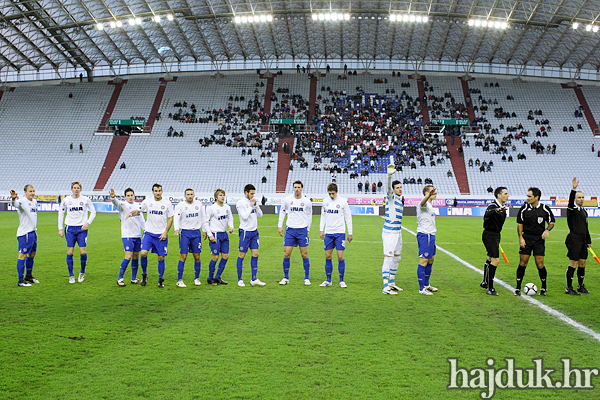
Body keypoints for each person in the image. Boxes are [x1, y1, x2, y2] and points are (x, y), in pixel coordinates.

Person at [515, 187, 555, 296]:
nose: (527, 198)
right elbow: (520, 225)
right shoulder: (524, 209)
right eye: (527, 196)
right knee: (523, 262)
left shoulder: (545, 209)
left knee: (540, 263)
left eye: (529, 196)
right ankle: (518, 288)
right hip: (526, 238)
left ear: (536, 197)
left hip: (539, 240)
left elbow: (552, 221)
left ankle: (544, 287)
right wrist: (521, 238)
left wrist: (547, 230)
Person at [58, 181, 96, 283]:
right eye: (74, 188)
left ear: (80, 189)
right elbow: (61, 213)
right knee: (70, 251)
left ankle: (82, 272)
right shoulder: (66, 200)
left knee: (82, 252)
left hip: (81, 229)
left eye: (78, 188)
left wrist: (88, 223)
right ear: (71, 189)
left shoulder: (85, 200)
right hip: (69, 228)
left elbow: (93, 211)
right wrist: (60, 228)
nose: (76, 189)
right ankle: (71, 275)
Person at [139, 183, 174, 288]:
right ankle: (144, 275)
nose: (158, 193)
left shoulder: (167, 203)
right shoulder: (147, 201)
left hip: (161, 234)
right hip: (149, 233)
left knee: (161, 257)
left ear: (162, 191)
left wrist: (165, 232)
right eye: (156, 191)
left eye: (159, 191)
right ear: (152, 192)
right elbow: (139, 209)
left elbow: (171, 218)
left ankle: (160, 279)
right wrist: (132, 213)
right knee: (143, 253)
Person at [278, 180, 313, 285]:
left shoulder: (307, 201)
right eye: (295, 187)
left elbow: (309, 215)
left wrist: (308, 229)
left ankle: (306, 278)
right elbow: (282, 211)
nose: (296, 189)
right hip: (290, 230)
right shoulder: (287, 199)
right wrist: (280, 225)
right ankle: (285, 278)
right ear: (293, 188)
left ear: (302, 188)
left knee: (304, 254)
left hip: (302, 230)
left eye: (298, 187)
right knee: (287, 254)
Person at [319, 183, 353, 288]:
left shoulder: (343, 202)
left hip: (339, 233)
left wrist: (350, 232)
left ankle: (341, 280)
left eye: (333, 193)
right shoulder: (325, 201)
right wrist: (321, 230)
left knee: (340, 256)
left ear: (337, 192)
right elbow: (323, 216)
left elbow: (348, 217)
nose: (331, 196)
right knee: (328, 256)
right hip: (328, 233)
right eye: (329, 193)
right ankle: (328, 280)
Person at [173, 188, 209, 288]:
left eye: (191, 194)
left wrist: (205, 230)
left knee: (197, 256)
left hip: (196, 233)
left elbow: (203, 218)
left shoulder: (199, 204)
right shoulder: (181, 205)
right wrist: (177, 228)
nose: (190, 196)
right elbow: (176, 217)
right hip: (184, 233)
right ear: (185, 196)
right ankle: (179, 280)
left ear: (194, 195)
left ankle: (197, 278)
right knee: (183, 256)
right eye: (188, 194)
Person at [110, 188, 145, 286]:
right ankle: (120, 278)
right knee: (128, 256)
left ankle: (134, 278)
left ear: (134, 195)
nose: (130, 197)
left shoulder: (138, 206)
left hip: (137, 235)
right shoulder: (123, 205)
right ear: (125, 197)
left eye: (131, 195)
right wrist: (113, 197)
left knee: (136, 256)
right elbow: (116, 202)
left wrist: (146, 230)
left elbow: (141, 220)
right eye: (128, 195)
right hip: (127, 235)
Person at [565, 178, 592, 295]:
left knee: (583, 263)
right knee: (573, 263)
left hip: (582, 240)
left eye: (582, 197)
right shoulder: (572, 209)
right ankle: (569, 288)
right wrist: (573, 189)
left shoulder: (583, 211)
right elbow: (570, 203)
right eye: (579, 197)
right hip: (574, 239)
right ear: (575, 199)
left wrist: (588, 241)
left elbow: (586, 228)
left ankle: (580, 285)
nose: (581, 199)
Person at [479, 187, 509, 296]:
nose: (507, 195)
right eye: (505, 193)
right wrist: (497, 210)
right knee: (495, 261)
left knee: (490, 258)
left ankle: (485, 282)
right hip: (489, 235)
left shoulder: (502, 207)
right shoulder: (493, 206)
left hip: (495, 235)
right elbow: (488, 214)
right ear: (499, 195)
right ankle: (490, 288)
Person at [235, 184, 266, 287]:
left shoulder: (253, 202)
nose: (253, 196)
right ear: (246, 193)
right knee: (242, 255)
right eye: (251, 193)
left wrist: (256, 205)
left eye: (254, 193)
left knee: (255, 254)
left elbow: (261, 215)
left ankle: (254, 278)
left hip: (254, 232)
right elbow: (244, 216)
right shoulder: (240, 203)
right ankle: (240, 279)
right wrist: (251, 205)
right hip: (245, 232)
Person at [380, 166, 404, 295]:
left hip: (398, 232)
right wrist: (389, 177)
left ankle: (392, 282)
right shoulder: (391, 198)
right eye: (398, 188)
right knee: (388, 258)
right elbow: (389, 190)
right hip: (389, 232)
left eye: (401, 187)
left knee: (397, 257)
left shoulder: (401, 199)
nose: (400, 189)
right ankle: (385, 286)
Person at [10, 185, 39, 286]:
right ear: (25, 192)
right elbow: (15, 204)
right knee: (22, 255)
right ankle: (20, 280)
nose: (32, 193)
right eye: (30, 191)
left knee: (32, 254)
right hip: (24, 233)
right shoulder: (22, 201)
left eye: (33, 191)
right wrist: (13, 198)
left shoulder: (34, 202)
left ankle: (29, 276)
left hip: (33, 232)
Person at [205, 189, 234, 285]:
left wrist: (231, 226)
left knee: (225, 256)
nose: (222, 197)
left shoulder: (227, 207)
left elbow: (230, 218)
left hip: (224, 234)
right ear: (216, 197)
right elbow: (205, 222)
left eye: (223, 195)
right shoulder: (212, 208)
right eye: (221, 195)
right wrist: (210, 235)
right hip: (215, 234)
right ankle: (210, 278)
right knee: (215, 257)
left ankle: (217, 277)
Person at [417, 185, 439, 295]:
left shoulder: (430, 206)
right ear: (426, 193)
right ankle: (421, 289)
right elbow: (422, 203)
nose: (435, 193)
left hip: (431, 236)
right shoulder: (424, 204)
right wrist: (428, 195)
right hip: (424, 235)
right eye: (432, 191)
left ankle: (426, 284)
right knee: (423, 261)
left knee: (431, 260)